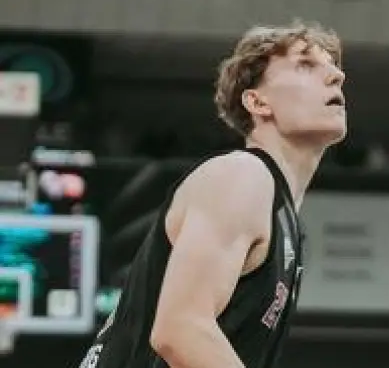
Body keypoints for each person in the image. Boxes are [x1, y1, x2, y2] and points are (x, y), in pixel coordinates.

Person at [78, 23, 347, 368]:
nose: (336, 75)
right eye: (305, 65)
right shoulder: (242, 175)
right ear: (257, 101)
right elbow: (181, 330)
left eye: (334, 67)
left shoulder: (283, 217)